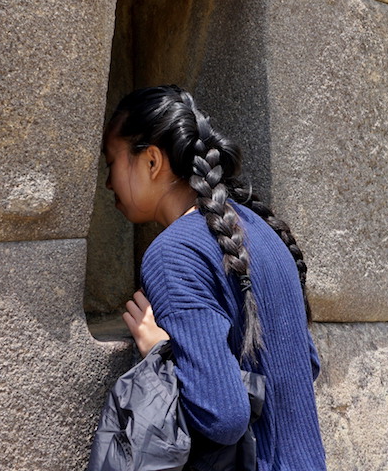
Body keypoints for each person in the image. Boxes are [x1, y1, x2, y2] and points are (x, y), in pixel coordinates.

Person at [102, 85, 327, 470]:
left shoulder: (173, 253)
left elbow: (224, 417)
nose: (108, 184)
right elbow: (306, 364)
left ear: (152, 161)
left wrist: (161, 352)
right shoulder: (260, 230)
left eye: (111, 164)